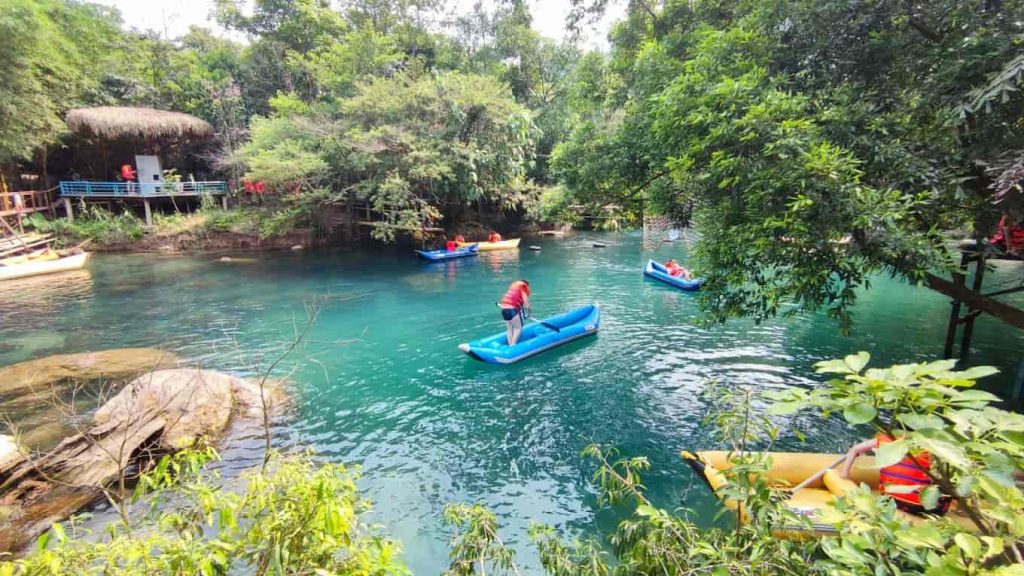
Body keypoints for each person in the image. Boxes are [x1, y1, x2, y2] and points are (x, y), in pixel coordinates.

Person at [842, 434, 950, 516]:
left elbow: (854, 449)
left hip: (889, 502)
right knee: (947, 480)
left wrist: (845, 474)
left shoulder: (884, 438)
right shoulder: (931, 445)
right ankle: (960, 510)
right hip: (920, 508)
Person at [498, 279, 530, 345]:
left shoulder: (514, 288)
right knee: (518, 328)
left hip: (503, 309)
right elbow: (526, 303)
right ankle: (513, 346)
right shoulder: (523, 288)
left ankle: (510, 345)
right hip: (511, 309)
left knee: (509, 329)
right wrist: (529, 312)